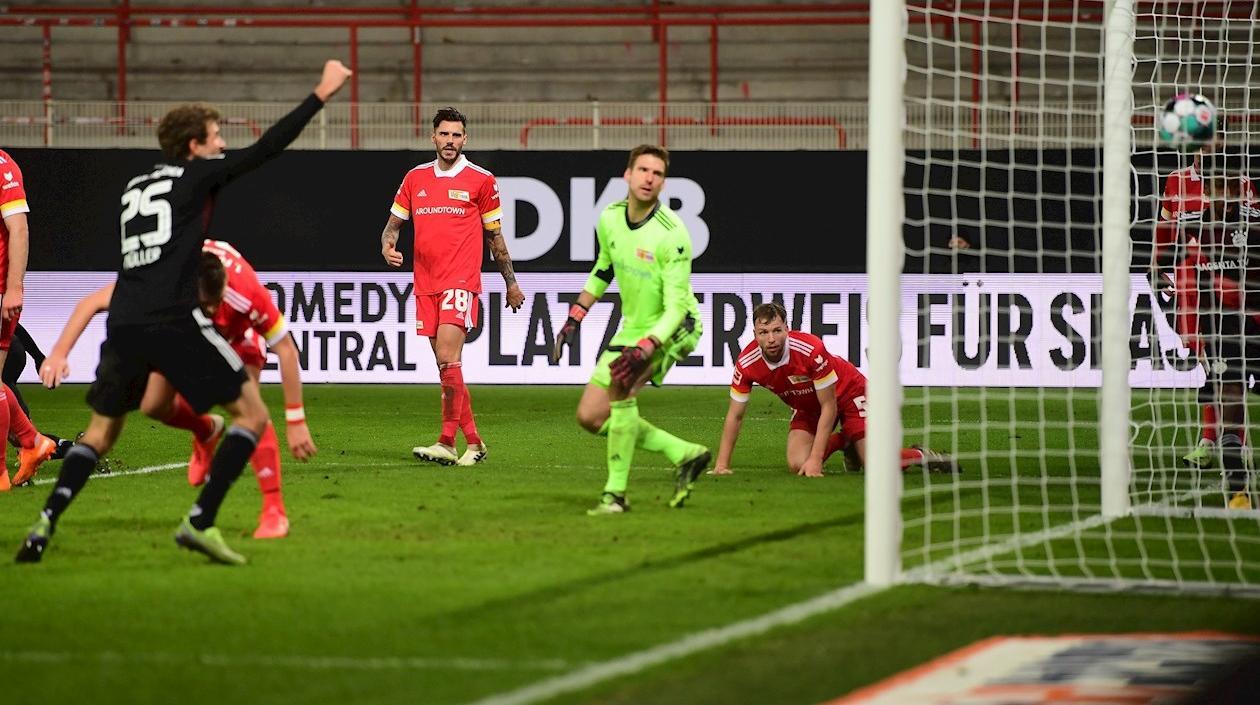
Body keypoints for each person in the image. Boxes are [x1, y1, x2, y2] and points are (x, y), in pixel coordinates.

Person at [15, 59, 351, 565]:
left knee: (101, 434)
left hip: (123, 321)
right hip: (174, 317)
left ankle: (43, 526)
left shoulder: (134, 187)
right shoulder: (195, 179)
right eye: (216, 137)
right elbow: (268, 148)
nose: (222, 145)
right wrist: (322, 92)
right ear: (194, 146)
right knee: (254, 414)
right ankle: (200, 521)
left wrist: (64, 350)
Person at [38, 240, 316, 538]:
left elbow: (287, 350)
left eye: (216, 302)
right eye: (206, 303)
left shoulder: (247, 296)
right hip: (185, 327)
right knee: (153, 405)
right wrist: (58, 353)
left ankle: (274, 512)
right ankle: (206, 429)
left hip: (238, 334)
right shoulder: (165, 278)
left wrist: (296, 420)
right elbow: (92, 302)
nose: (212, 309)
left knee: (251, 413)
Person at [551, 144, 710, 515]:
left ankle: (615, 495)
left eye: (657, 173)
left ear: (663, 182)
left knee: (621, 393)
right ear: (628, 174)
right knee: (590, 416)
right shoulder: (608, 217)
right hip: (633, 325)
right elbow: (604, 268)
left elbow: (676, 308)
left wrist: (648, 345)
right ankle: (684, 453)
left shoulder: (674, 235)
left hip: (676, 327)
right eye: (643, 170)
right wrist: (575, 316)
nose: (649, 178)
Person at [379, 106, 525, 467]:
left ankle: (449, 441)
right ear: (433, 137)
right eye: (444, 134)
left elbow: (496, 238)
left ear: (465, 139)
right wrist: (387, 246)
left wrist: (511, 283)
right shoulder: (415, 178)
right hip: (425, 282)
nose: (450, 141)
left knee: (447, 358)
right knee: (448, 366)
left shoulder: (481, 180)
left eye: (456, 135)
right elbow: (393, 226)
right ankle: (469, 443)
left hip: (460, 280)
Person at [711, 302, 959, 477]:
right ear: (754, 334)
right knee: (797, 464)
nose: (771, 339)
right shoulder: (747, 364)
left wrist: (817, 460)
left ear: (787, 328)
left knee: (878, 469)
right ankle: (846, 440)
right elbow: (736, 415)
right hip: (809, 406)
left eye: (777, 330)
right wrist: (722, 465)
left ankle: (921, 454)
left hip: (848, 392)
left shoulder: (810, 349)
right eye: (764, 333)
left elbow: (830, 405)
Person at [1152, 130, 1260, 470]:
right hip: (1195, 290)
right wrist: (1155, 266)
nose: (1213, 145)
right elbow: (1164, 231)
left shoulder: (1242, 184)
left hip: (1236, 288)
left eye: (1219, 139)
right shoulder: (1176, 182)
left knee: (1227, 369)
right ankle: (1218, 440)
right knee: (1213, 364)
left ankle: (1219, 440)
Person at [1173, 175, 1258, 509]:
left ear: (1240, 192)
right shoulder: (1196, 234)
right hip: (1222, 330)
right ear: (1207, 192)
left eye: (1229, 189)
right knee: (1230, 402)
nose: (1223, 196)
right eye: (1216, 189)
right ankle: (1238, 491)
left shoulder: (1253, 229)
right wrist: (1191, 332)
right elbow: (1188, 283)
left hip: (1254, 324)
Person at [0, 149, 59, 490]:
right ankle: (32, 442)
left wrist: (13, 288)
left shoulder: (3, 166)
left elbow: (18, 228)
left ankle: (24, 449)